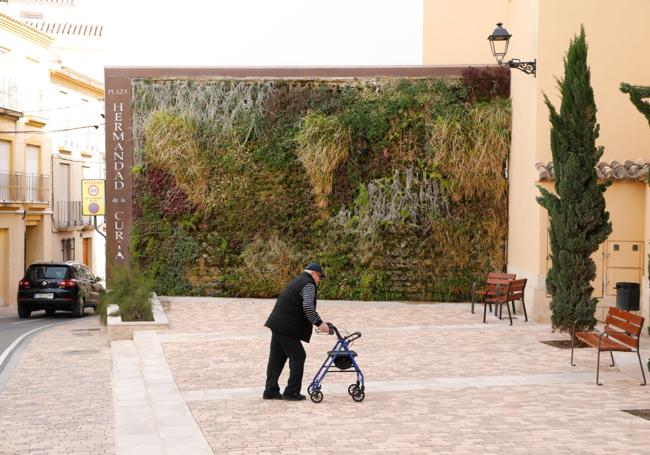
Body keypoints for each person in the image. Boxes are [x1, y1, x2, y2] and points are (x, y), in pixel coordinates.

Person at [263, 262, 330, 401]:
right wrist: (320, 323)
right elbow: (307, 307)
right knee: (298, 356)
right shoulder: (309, 284)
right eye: (319, 277)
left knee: (277, 358)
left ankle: (270, 391)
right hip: (285, 327)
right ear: (313, 274)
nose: (319, 281)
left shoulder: (298, 280)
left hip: (278, 323)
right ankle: (291, 392)